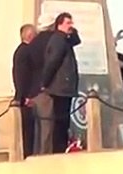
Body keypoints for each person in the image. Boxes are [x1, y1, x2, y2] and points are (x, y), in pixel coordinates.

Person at [38, 12, 81, 155]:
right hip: (59, 87)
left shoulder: (64, 39)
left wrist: (71, 30)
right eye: (68, 23)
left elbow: (76, 40)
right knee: (60, 121)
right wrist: (45, 82)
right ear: (59, 24)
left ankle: (61, 148)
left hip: (64, 87)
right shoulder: (58, 41)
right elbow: (52, 63)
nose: (71, 26)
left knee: (63, 121)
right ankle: (58, 149)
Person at [11, 23, 41, 159]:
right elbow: (21, 76)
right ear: (30, 35)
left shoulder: (22, 51)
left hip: (27, 97)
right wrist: (24, 97)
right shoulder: (24, 52)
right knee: (28, 133)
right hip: (27, 99)